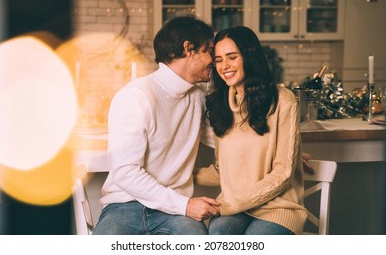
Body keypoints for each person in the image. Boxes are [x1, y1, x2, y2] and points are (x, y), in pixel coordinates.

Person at [93, 16, 221, 235]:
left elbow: (227, 140)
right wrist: (184, 205)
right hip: (125, 206)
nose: (215, 60)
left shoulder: (197, 98)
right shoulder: (136, 96)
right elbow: (125, 172)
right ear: (188, 48)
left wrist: (287, 149)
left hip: (174, 214)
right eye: (209, 50)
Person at [195, 26, 308, 235]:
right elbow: (223, 170)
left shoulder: (282, 100)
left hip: (278, 208)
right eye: (218, 60)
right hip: (237, 208)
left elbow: (282, 173)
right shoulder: (220, 105)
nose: (224, 66)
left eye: (232, 57)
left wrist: (231, 205)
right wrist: (177, 174)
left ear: (248, 57)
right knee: (217, 234)